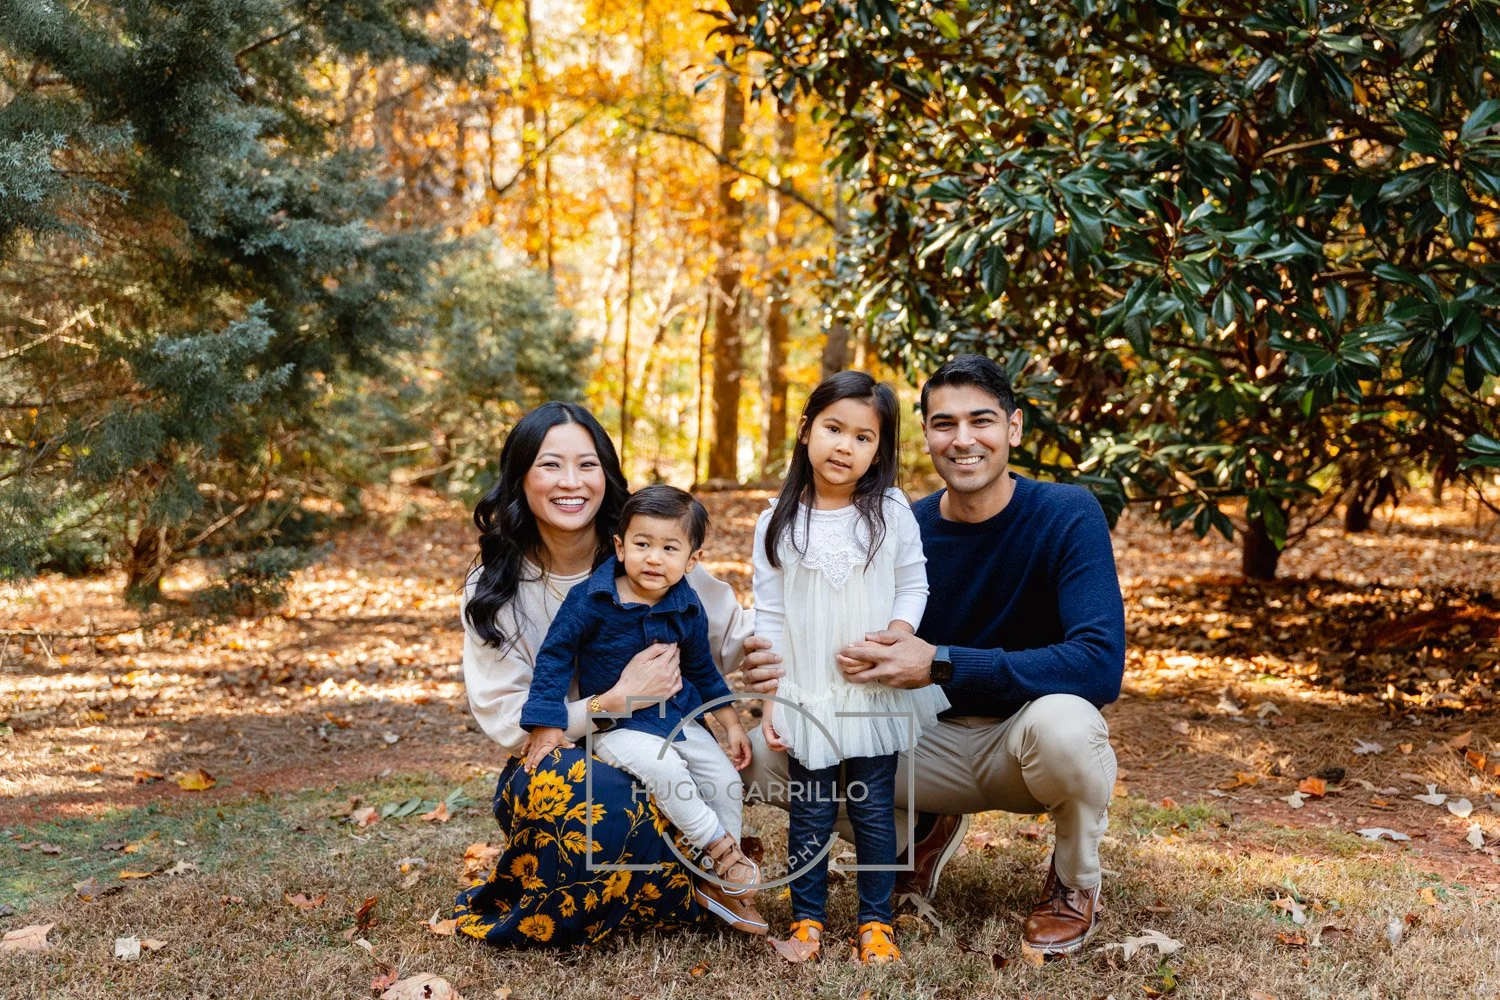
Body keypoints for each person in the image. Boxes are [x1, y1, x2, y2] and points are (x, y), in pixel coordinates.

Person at [741, 354, 1126, 956]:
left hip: (1021, 742)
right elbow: (793, 606)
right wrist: (774, 664)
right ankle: (913, 833)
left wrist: (940, 661)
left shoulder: (1066, 514)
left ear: (1014, 428)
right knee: (770, 753)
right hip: (923, 742)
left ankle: (1073, 884)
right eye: (944, 424)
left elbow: (1099, 665)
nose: (964, 439)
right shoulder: (900, 523)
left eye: (983, 421)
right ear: (925, 435)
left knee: (1068, 726)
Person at [453, 401, 770, 947]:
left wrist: (778, 660)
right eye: (551, 465)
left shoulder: (650, 552)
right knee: (607, 797)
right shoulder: (496, 584)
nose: (571, 482)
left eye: (588, 464)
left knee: (762, 754)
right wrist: (617, 699)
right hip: (555, 758)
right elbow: (512, 723)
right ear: (521, 477)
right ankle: (678, 881)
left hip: (665, 730)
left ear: (607, 474)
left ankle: (721, 875)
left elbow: (726, 633)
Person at [753, 371, 949, 964]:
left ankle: (875, 920)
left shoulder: (888, 510)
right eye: (834, 429)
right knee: (811, 809)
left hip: (871, 689)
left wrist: (897, 634)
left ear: (879, 451)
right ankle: (807, 919)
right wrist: (770, 698)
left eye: (864, 438)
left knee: (871, 807)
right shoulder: (778, 522)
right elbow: (769, 615)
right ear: (807, 429)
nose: (846, 446)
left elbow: (913, 584)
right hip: (806, 689)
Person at [519, 485, 765, 934]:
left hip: (678, 717)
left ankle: (716, 886)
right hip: (618, 728)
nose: (654, 558)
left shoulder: (687, 606)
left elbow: (703, 670)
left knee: (723, 779)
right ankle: (723, 853)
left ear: (692, 559)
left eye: (670, 548)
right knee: (665, 768)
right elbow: (554, 657)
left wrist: (730, 723)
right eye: (643, 544)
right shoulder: (590, 601)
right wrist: (545, 722)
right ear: (620, 546)